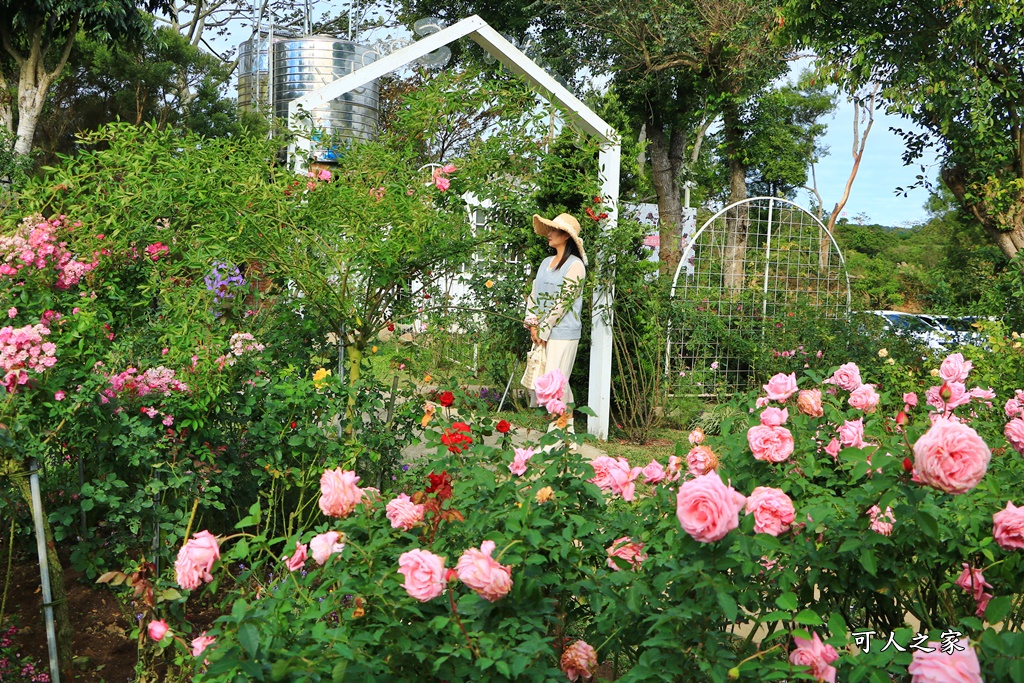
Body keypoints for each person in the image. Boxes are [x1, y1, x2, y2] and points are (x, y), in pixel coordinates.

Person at [524, 212, 587, 432]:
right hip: (542, 332)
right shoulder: (545, 263)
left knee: (555, 383)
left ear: (566, 236)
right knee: (553, 383)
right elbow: (534, 294)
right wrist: (532, 323)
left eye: (553, 230)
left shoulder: (575, 265)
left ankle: (558, 436)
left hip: (564, 333)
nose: (549, 233)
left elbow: (564, 301)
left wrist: (544, 327)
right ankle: (564, 436)